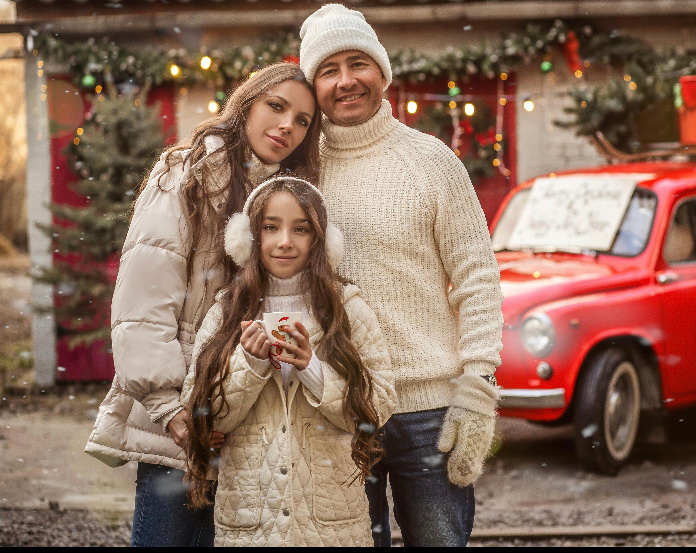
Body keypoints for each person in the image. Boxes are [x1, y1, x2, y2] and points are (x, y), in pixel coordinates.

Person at [83, 62, 322, 547]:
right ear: (246, 104)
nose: (287, 127)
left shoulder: (289, 197)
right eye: (276, 107)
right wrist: (171, 409)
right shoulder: (186, 175)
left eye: (302, 120)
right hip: (180, 415)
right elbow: (142, 306)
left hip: (247, 410)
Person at [298, 3, 504, 548]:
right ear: (312, 85)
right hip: (336, 405)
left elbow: (477, 277)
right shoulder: (298, 171)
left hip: (428, 411)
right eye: (328, 70)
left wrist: (477, 385)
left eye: (357, 63)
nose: (346, 81)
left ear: (382, 72)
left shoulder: (432, 161)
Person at [180, 175, 397, 547]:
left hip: (331, 525)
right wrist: (250, 365)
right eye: (270, 227)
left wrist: (313, 370)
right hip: (251, 522)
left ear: (320, 241)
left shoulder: (347, 309)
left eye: (301, 229)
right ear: (249, 239)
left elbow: (380, 405)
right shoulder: (227, 311)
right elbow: (203, 414)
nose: (284, 242)